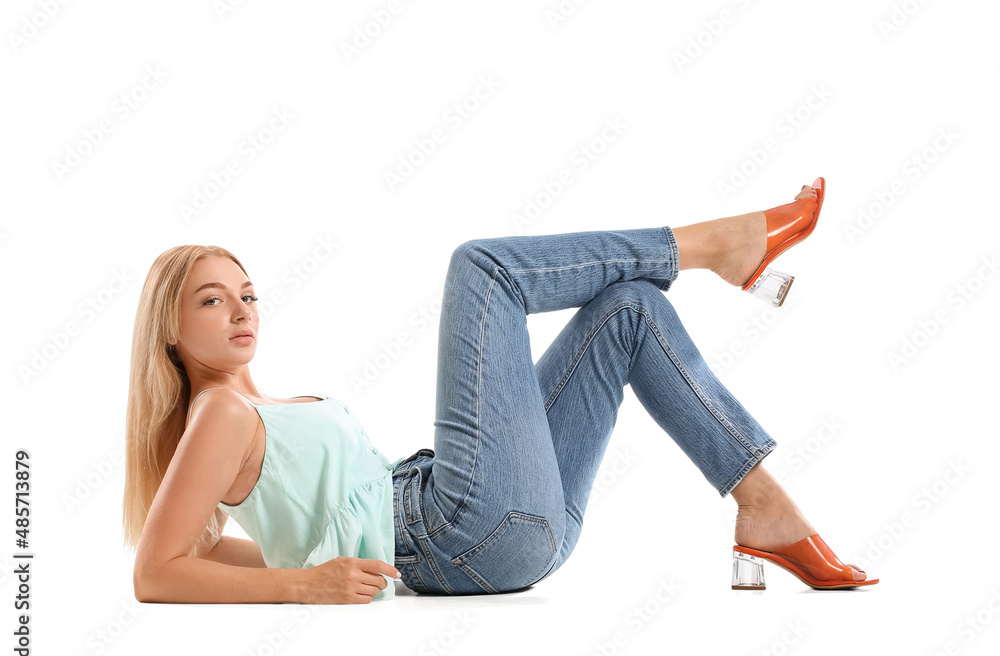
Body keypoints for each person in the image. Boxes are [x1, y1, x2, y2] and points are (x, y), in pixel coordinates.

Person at [125, 177, 877, 604]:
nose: (241, 310)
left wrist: (310, 560)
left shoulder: (244, 409)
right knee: (481, 268)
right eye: (212, 300)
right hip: (457, 529)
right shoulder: (219, 410)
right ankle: (713, 244)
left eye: (247, 294)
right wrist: (304, 586)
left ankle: (764, 505)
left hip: (504, 532)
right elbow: (154, 573)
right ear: (171, 329)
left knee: (629, 311)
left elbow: (205, 546)